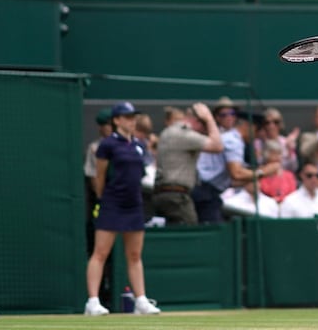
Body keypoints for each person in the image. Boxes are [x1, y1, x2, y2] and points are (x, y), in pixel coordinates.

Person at [84, 102, 161, 316]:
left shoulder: (139, 145)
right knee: (100, 252)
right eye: (127, 117)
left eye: (133, 117)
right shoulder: (107, 145)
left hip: (134, 204)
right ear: (117, 120)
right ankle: (92, 302)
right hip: (112, 203)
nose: (132, 120)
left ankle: (141, 301)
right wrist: (104, 198)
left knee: (135, 254)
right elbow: (99, 176)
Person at [152, 103, 222, 225]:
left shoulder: (167, 132)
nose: (204, 131)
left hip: (162, 193)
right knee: (190, 231)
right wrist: (209, 119)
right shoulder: (184, 134)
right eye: (204, 126)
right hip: (176, 195)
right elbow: (217, 146)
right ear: (197, 121)